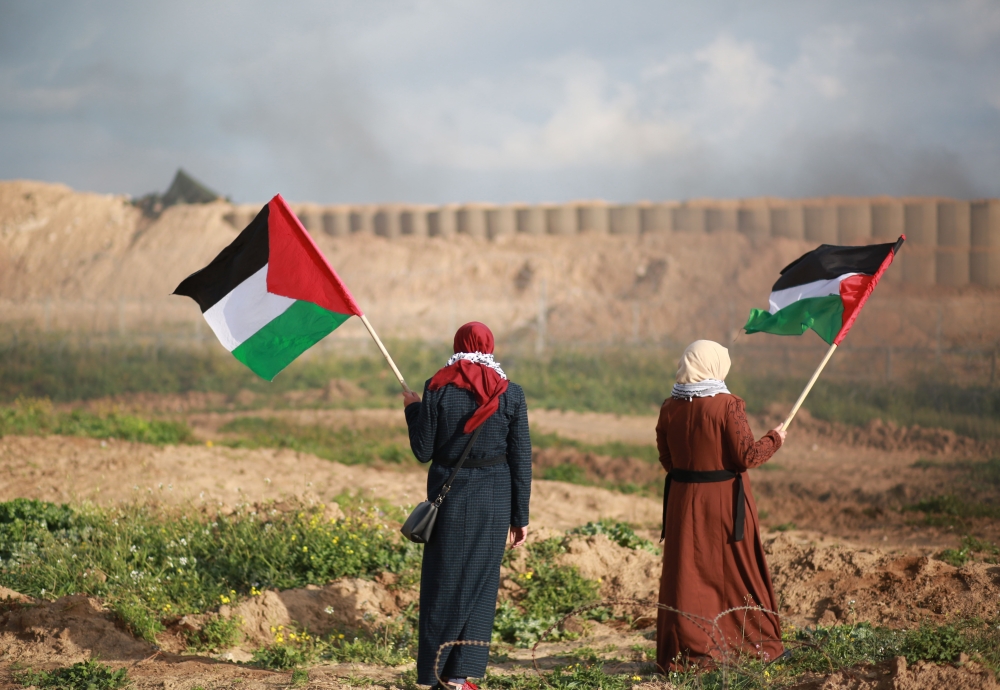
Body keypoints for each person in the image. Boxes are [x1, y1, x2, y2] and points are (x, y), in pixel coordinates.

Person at [402, 322, 531, 690]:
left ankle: (434, 675)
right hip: (495, 502)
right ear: (489, 348)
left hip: (452, 499)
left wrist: (414, 411)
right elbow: (521, 459)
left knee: (443, 584)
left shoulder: (437, 388)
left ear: (458, 345)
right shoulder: (511, 394)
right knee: (481, 584)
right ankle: (459, 678)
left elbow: (423, 451)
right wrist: (520, 517)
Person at [655, 340, 786, 672]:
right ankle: (751, 646)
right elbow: (748, 456)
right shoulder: (728, 405)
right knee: (736, 571)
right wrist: (775, 439)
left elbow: (667, 458)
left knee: (686, 574)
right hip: (724, 501)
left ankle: (685, 652)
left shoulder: (670, 406)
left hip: (683, 502)